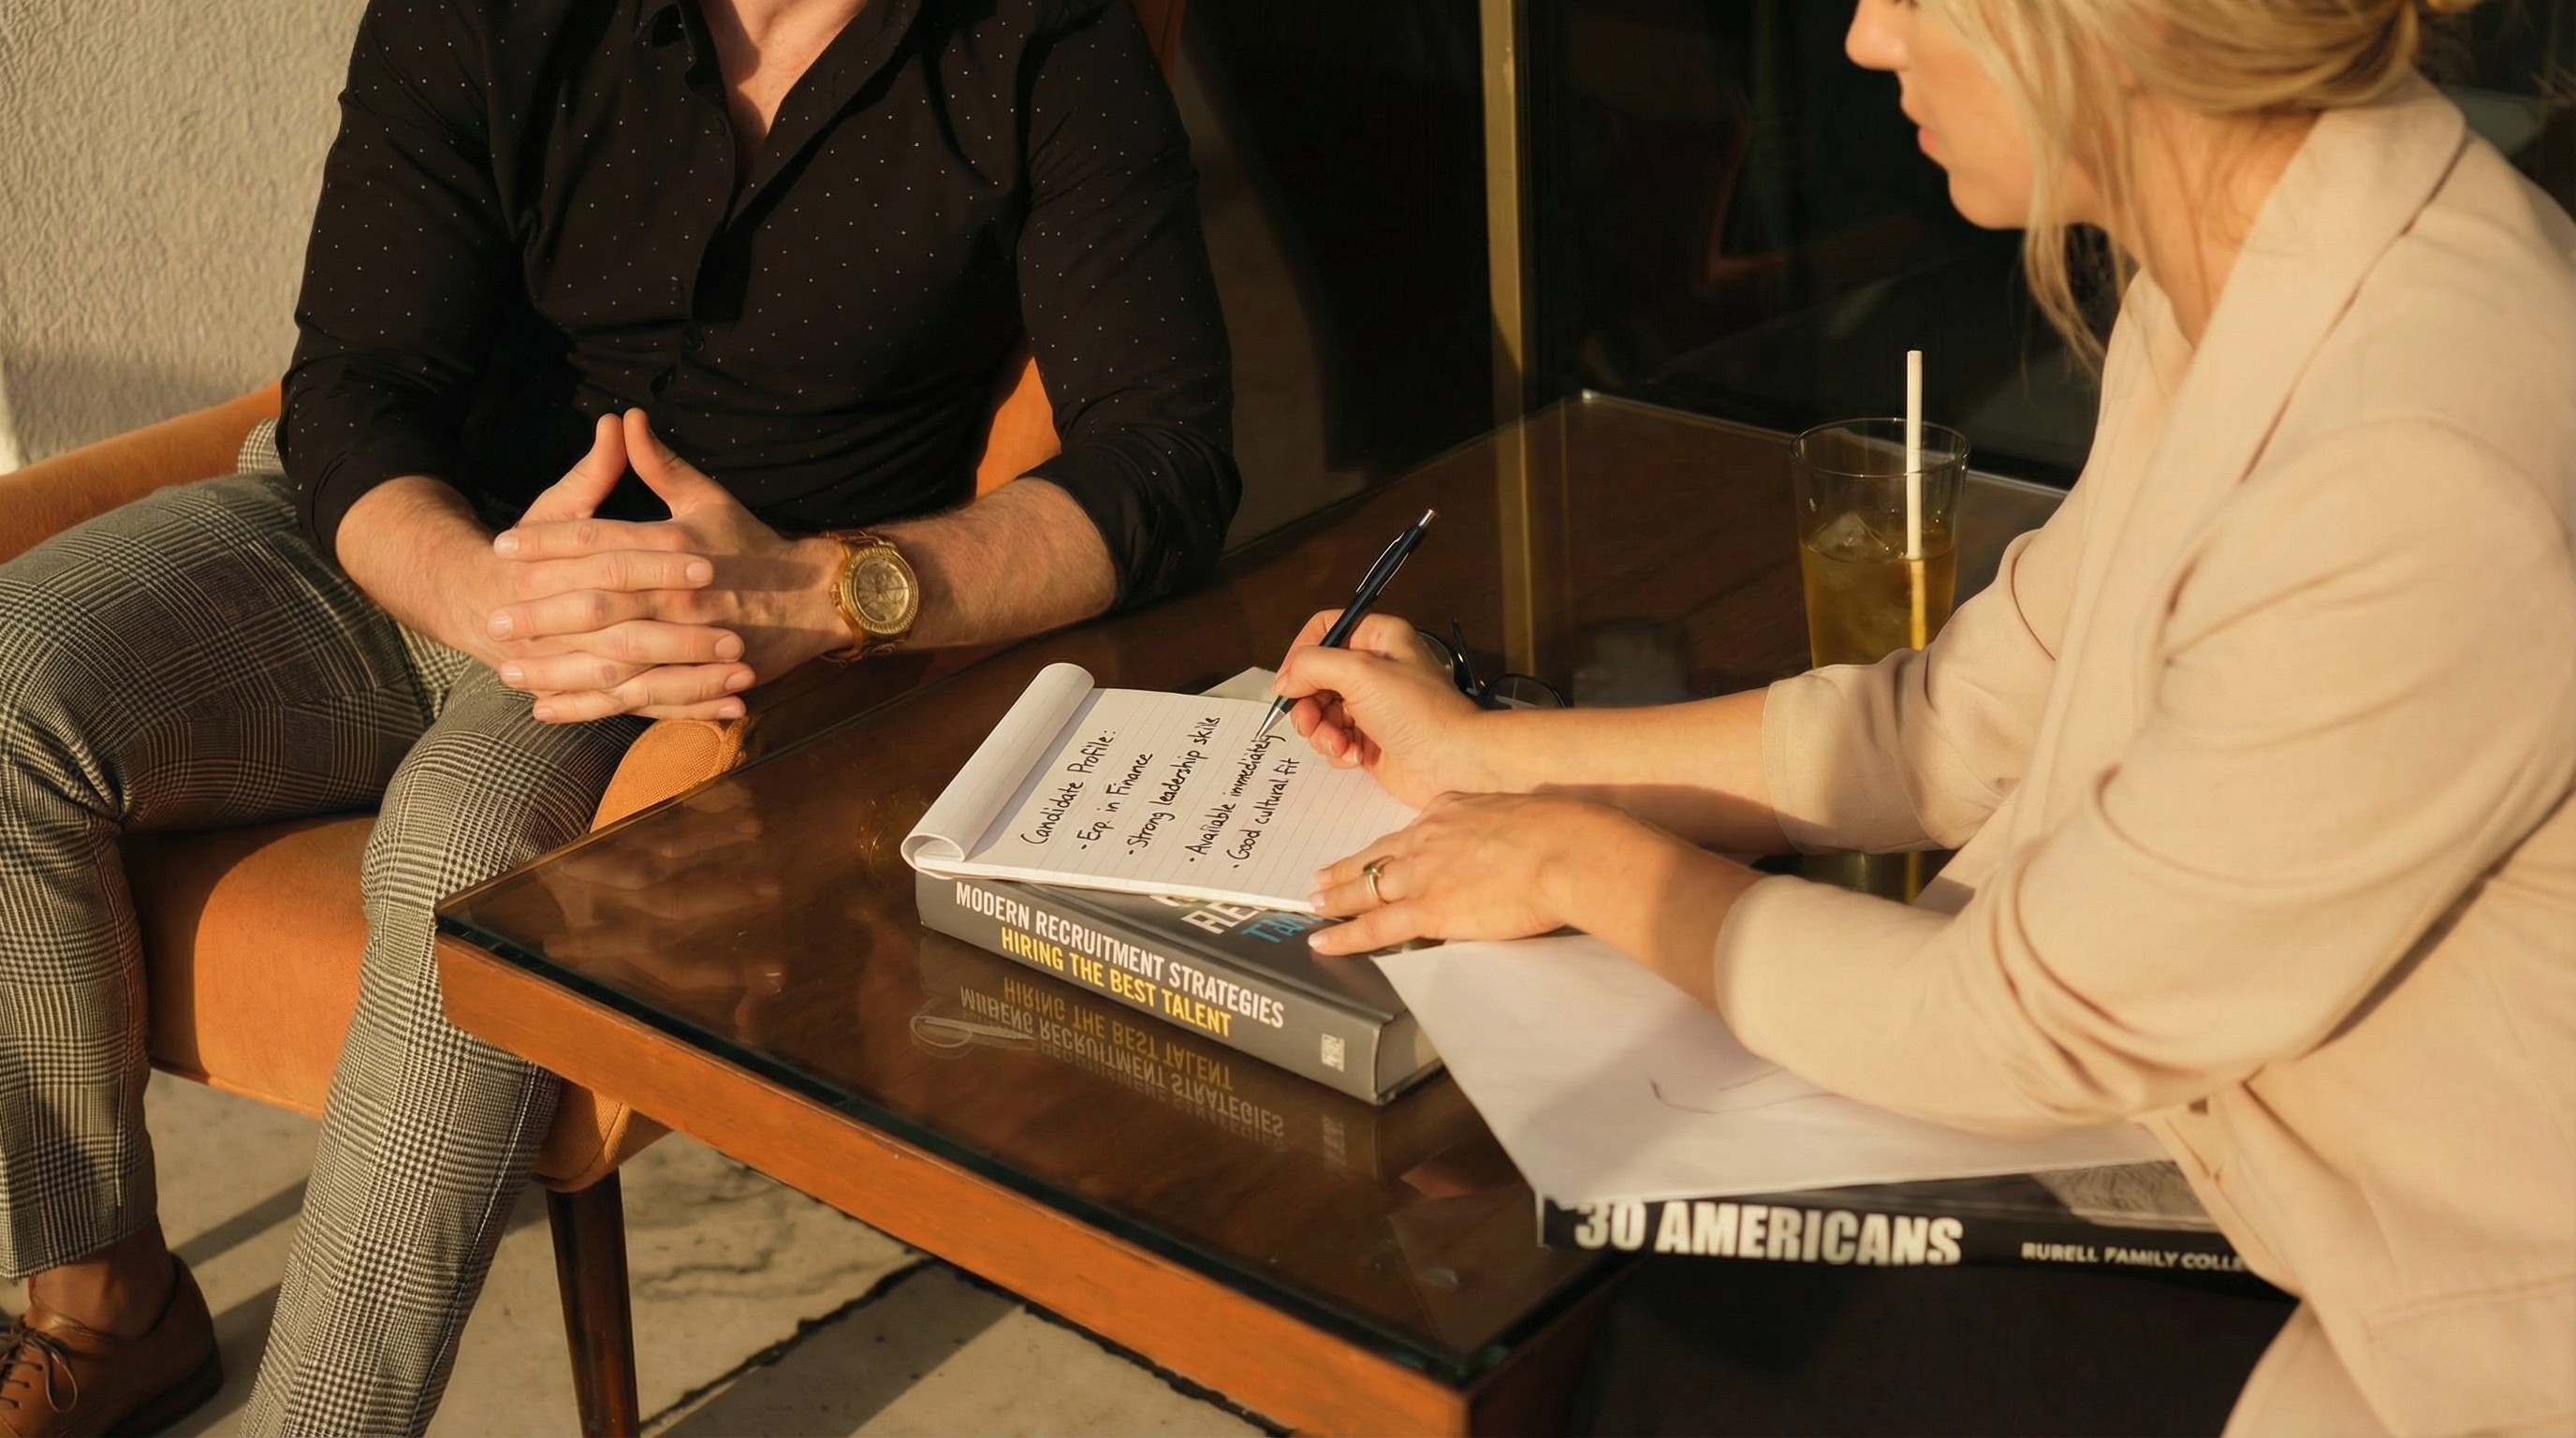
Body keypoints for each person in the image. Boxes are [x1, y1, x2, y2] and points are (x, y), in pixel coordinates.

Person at [1274, 0, 2575, 1431]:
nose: (1864, 39)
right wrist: (1488, 759)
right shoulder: (2245, 267)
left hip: (2438, 1348)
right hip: (2236, 1189)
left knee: (1614, 1348)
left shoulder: (2411, 458)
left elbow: (2023, 1023)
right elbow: (1956, 724)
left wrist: (1583, 864)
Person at [0, 0, 1234, 1431]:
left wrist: (829, 590)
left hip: (714, 625)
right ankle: (109, 1308)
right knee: (11, 679)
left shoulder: (1042, 36)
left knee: (459, 854)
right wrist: (473, 586)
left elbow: (1167, 458)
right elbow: (356, 379)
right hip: (415, 535)